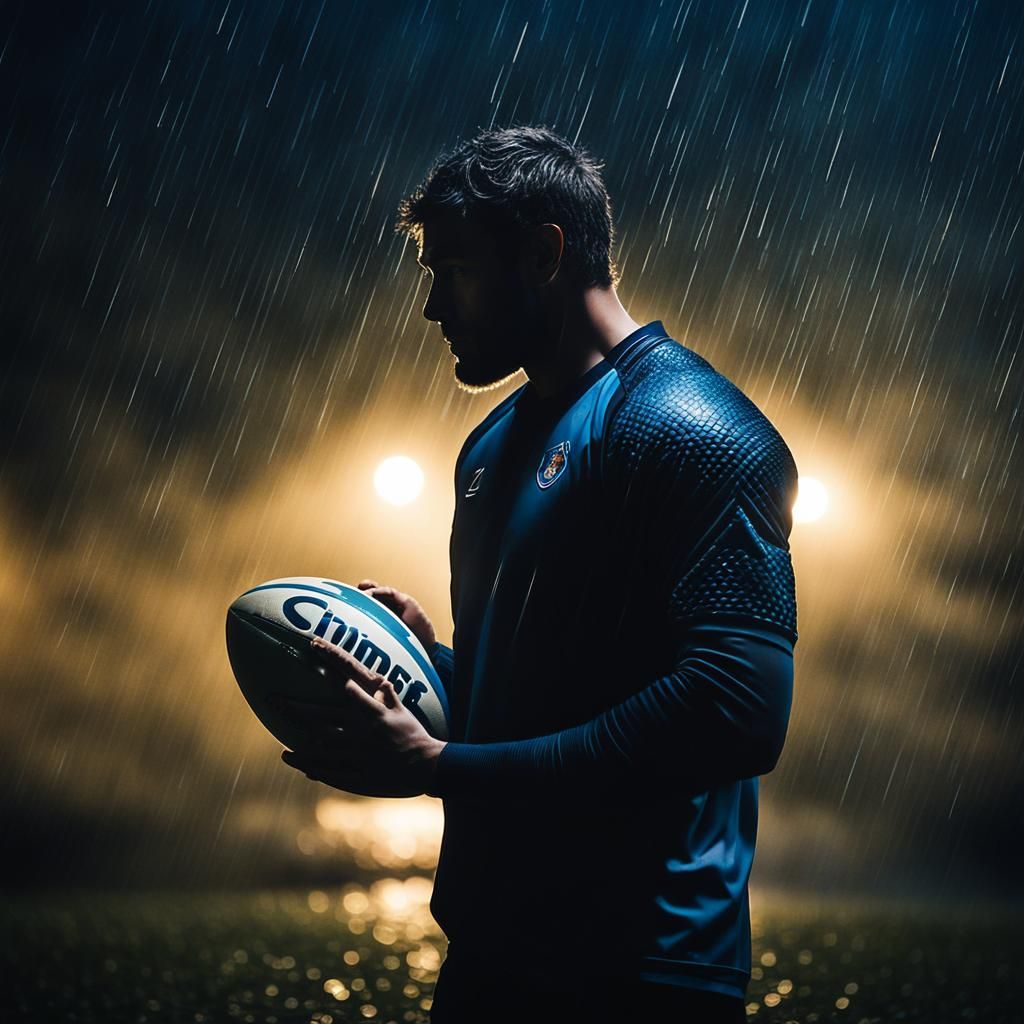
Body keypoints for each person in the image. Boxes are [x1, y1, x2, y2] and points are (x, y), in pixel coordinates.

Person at [279, 124, 798, 1023]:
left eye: (456, 272)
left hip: (643, 968)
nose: (434, 308)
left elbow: (736, 709)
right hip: (490, 950)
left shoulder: (693, 429)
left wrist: (444, 766)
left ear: (546, 253)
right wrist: (434, 665)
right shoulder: (486, 446)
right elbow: (545, 692)